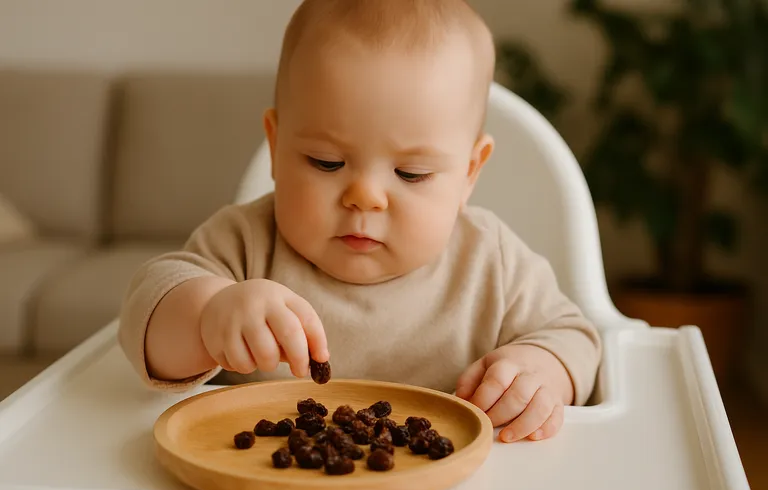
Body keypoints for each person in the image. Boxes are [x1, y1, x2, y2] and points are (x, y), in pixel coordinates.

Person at [118, 0, 601, 444]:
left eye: (411, 173)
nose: (364, 198)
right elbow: (146, 319)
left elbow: (574, 335)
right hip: (263, 489)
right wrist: (208, 314)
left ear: (469, 173)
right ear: (276, 144)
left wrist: (542, 371)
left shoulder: (491, 262)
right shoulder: (244, 244)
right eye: (327, 162)